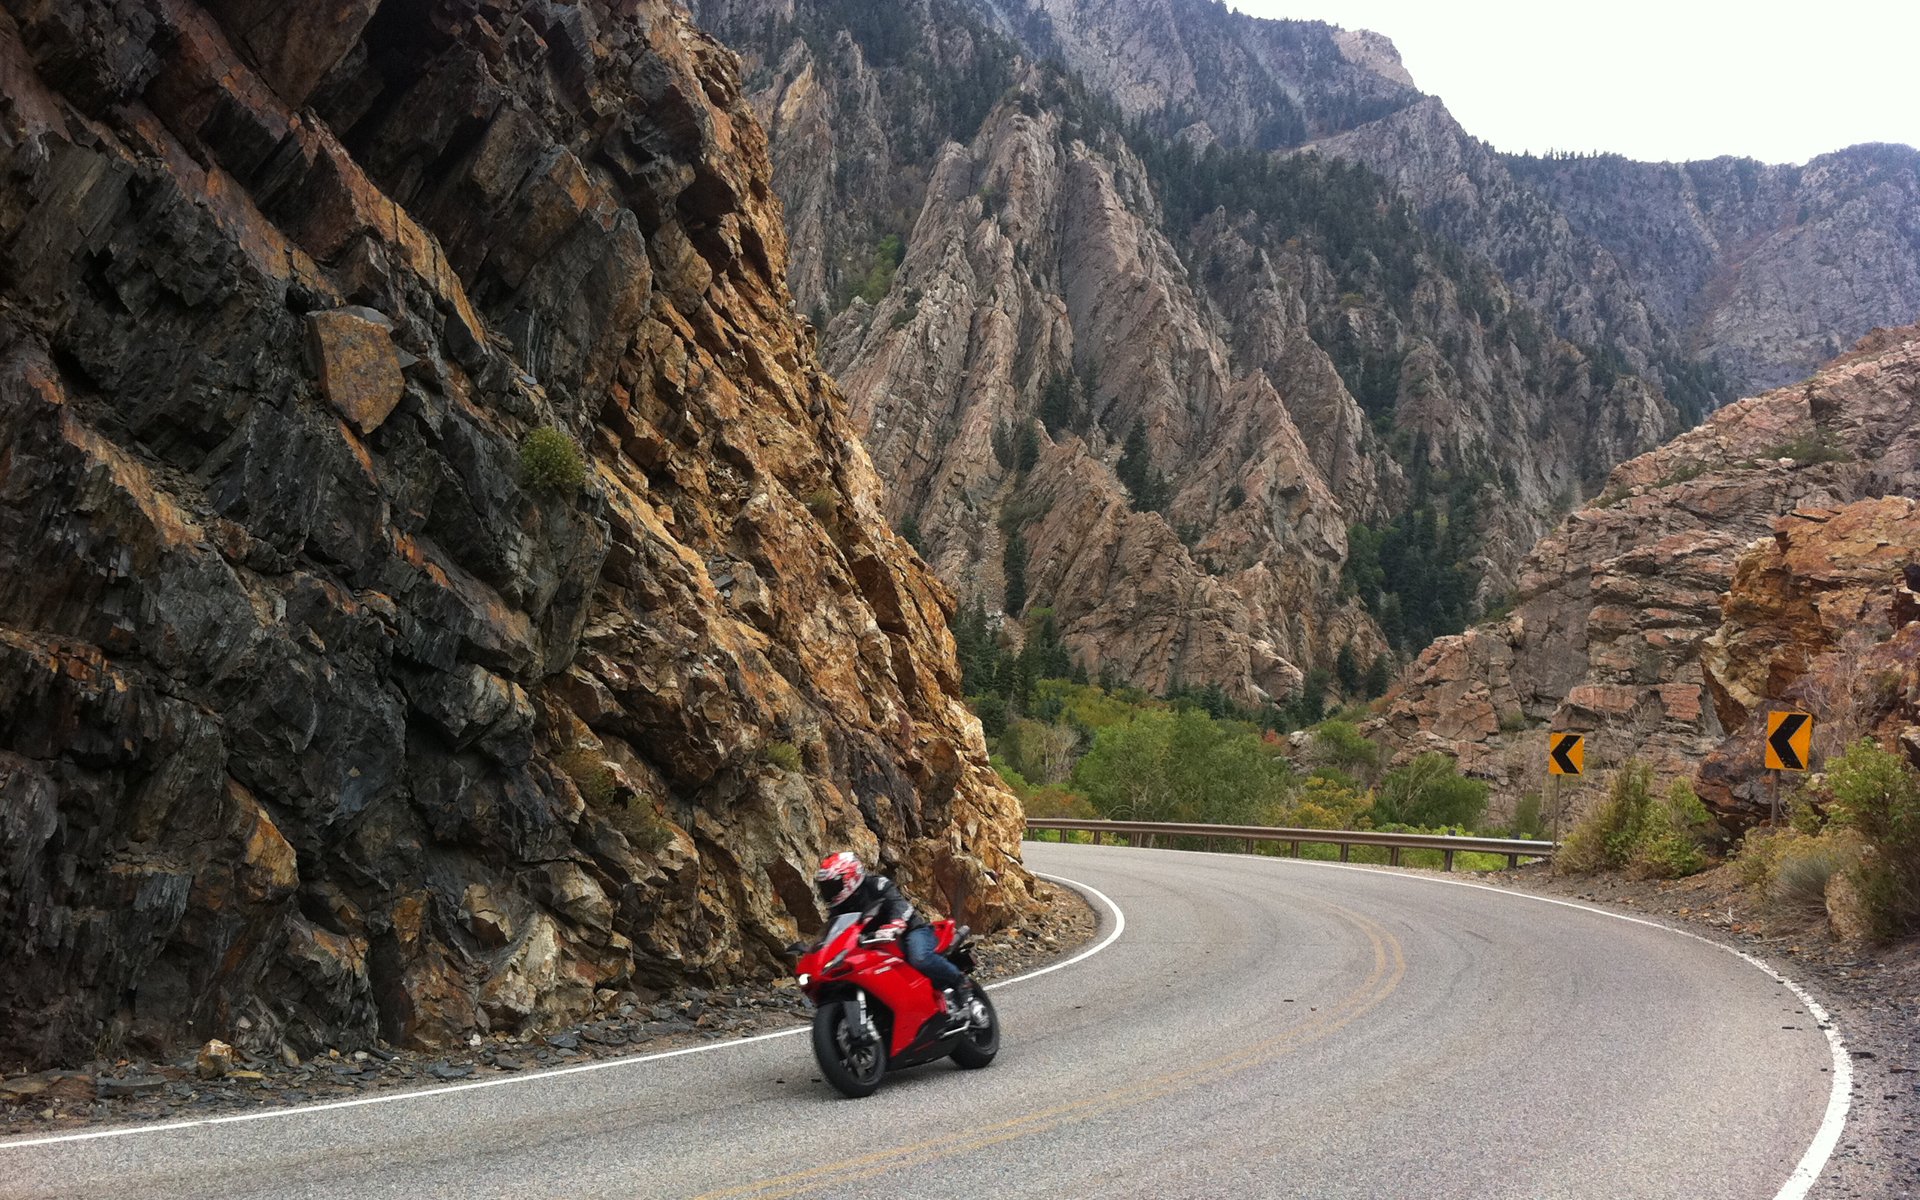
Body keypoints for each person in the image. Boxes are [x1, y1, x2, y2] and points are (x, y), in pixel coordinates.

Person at [813, 852, 985, 1024]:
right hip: (874, 944)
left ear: (849, 876)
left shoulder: (877, 885)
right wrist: (821, 950)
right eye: (826, 887)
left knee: (920, 958)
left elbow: (898, 904)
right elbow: (836, 931)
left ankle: (960, 982)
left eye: (832, 886)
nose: (829, 892)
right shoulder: (838, 908)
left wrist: (896, 923)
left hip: (911, 932)